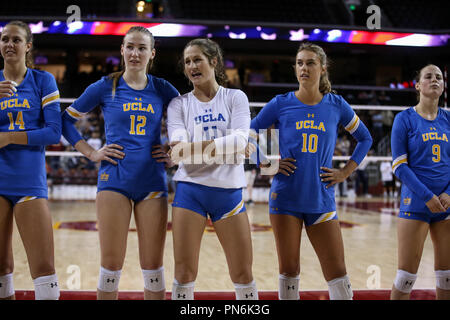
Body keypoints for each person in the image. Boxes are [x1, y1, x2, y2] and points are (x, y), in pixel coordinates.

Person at [61, 26, 179, 300]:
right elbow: (65, 121)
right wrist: (91, 153)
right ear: (122, 50)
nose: (135, 53)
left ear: (152, 53)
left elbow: (188, 125)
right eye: (130, 47)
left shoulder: (163, 88)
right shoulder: (105, 85)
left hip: (152, 181)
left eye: (141, 48)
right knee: (110, 267)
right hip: (114, 180)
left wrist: (175, 153)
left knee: (153, 269)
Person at [249, 42, 372, 300]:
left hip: (321, 198)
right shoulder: (280, 103)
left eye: (310, 63)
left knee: (337, 271)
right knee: (289, 269)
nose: (304, 68)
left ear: (323, 68)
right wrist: (267, 164)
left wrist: (344, 172)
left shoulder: (336, 105)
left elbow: (365, 138)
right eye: (300, 63)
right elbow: (248, 134)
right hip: (286, 198)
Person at [167, 38, 258, 300]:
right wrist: (229, 146)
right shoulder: (179, 104)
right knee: (184, 273)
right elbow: (177, 152)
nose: (192, 66)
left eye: (198, 59)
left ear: (214, 62)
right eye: (187, 62)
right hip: (189, 192)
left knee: (242, 274)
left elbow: (240, 141)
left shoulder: (235, 97)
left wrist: (192, 148)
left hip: (228, 193)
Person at [0, 20, 61, 300]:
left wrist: (10, 137)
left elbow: (53, 133)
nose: (9, 45)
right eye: (4, 39)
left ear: (28, 46)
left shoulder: (42, 80)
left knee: (44, 269)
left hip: (29, 182)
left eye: (15, 40)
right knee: (1, 269)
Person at [390, 64, 449, 300]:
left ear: (443, 86)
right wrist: (427, 197)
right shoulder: (404, 119)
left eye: (439, 77)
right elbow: (399, 166)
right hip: (416, 203)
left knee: (447, 276)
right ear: (417, 85)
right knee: (406, 278)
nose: (434, 80)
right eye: (428, 76)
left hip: (446, 205)